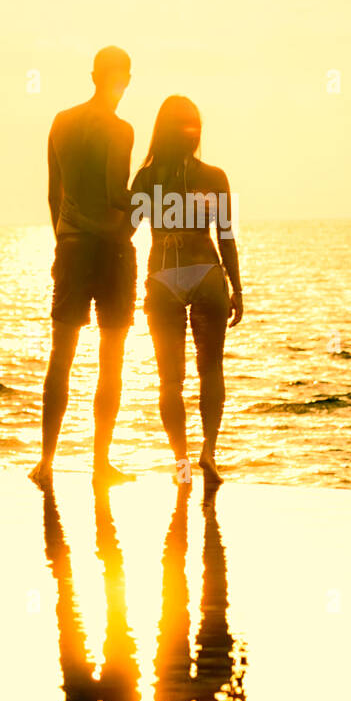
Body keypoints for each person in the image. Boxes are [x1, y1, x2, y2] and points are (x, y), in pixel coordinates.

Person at [29, 46, 137, 492]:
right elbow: (116, 194)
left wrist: (66, 239)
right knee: (110, 359)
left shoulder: (61, 122)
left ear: (94, 75)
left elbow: (54, 195)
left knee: (62, 356)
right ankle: (100, 463)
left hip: (70, 247)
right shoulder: (121, 130)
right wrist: (148, 201)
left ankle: (46, 461)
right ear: (125, 78)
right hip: (111, 250)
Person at [130, 96, 243, 491]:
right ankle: (208, 451)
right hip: (207, 270)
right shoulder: (215, 177)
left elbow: (125, 232)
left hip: (163, 274)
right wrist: (238, 288)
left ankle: (181, 463)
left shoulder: (146, 179)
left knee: (169, 381)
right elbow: (225, 237)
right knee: (210, 368)